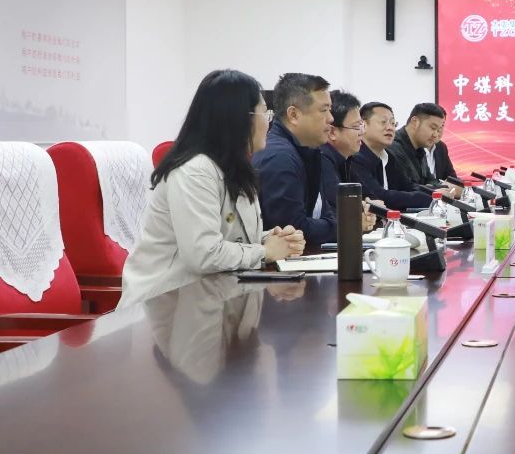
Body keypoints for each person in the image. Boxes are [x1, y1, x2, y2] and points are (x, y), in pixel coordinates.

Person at [121, 69, 304, 306]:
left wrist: (276, 239)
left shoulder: (234, 168)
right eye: (265, 113)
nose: (268, 122)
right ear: (241, 119)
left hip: (209, 296)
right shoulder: (195, 171)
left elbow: (231, 234)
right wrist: (265, 251)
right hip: (165, 303)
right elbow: (203, 254)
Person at [253, 73, 339, 245]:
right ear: (293, 115)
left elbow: (324, 213)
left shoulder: (309, 150)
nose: (331, 118)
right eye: (324, 110)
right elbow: (291, 229)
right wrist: (344, 226)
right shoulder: (279, 158)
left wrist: (337, 225)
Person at [352, 101, 432, 210]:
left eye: (393, 123)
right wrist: (429, 200)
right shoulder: (355, 157)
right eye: (383, 122)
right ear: (363, 125)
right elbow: (379, 196)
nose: (390, 128)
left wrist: (436, 193)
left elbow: (407, 187)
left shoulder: (389, 157)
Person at [318, 90, 379, 229]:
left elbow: (371, 198)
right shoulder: (322, 159)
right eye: (356, 127)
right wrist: (360, 214)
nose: (362, 132)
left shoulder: (346, 158)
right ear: (332, 132)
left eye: (362, 126)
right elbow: (338, 211)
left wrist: (366, 206)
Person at [388, 103, 463, 198]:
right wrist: (440, 189)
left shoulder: (419, 147)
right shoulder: (393, 146)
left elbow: (430, 180)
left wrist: (450, 187)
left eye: (439, 129)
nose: (435, 135)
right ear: (415, 122)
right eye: (433, 128)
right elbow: (407, 187)